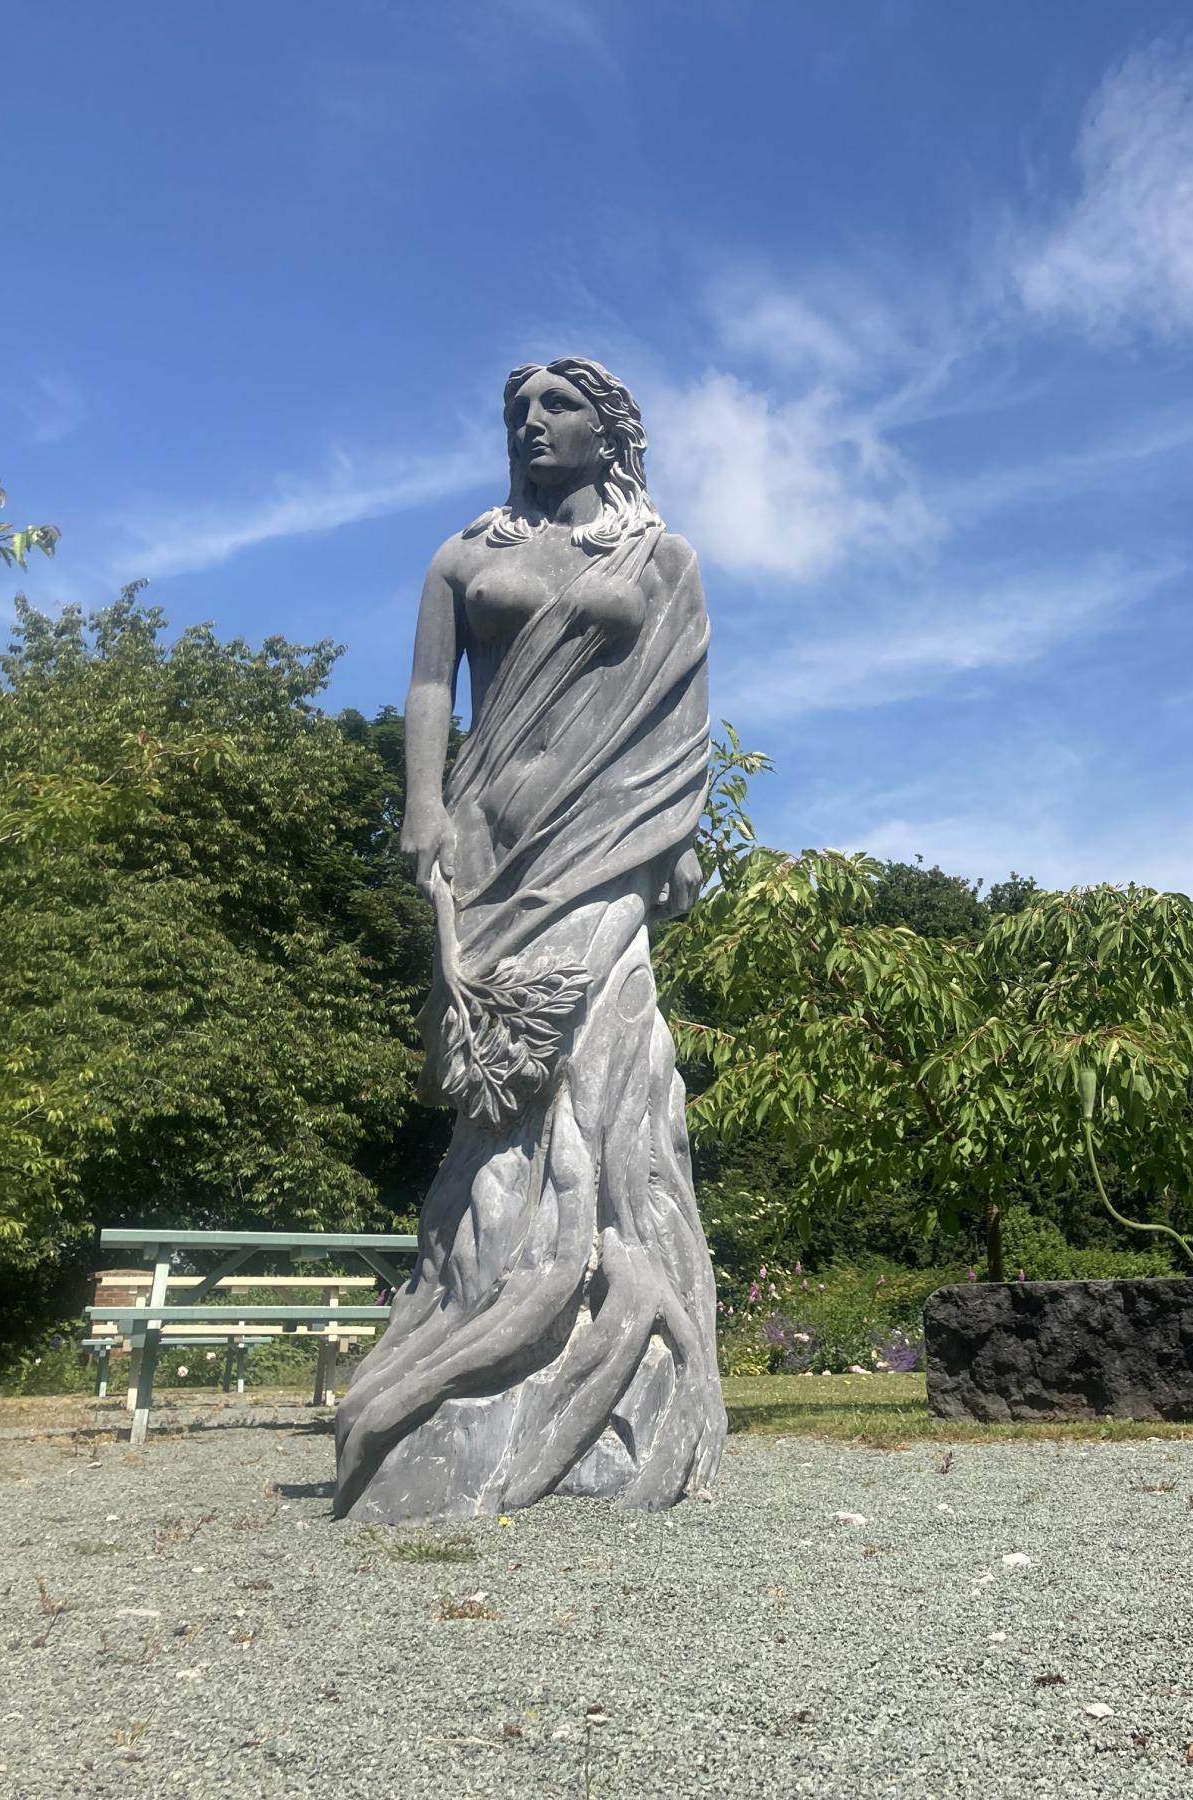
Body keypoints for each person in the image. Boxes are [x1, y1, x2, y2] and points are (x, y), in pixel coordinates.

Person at [333, 358, 724, 1521]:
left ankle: (615, 1307)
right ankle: (477, 1313)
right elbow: (424, 687)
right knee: (494, 1080)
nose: (530, 423)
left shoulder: (662, 560)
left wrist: (679, 831)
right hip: (495, 834)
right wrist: (421, 802)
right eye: (519, 410)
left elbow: (684, 699)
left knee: (601, 1064)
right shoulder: (468, 558)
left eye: (557, 407)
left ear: (610, 433)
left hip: (610, 836)